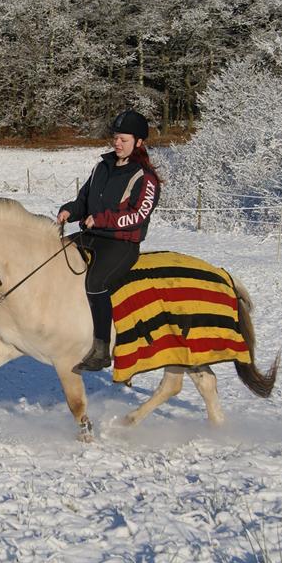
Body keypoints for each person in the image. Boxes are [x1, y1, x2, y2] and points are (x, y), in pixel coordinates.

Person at [57, 110, 161, 373]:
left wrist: (101, 219)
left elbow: (138, 215)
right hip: (90, 235)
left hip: (121, 243)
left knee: (95, 283)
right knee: (54, 256)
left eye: (123, 139)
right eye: (115, 138)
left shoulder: (145, 177)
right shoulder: (101, 167)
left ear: (139, 142)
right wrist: (70, 210)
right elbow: (84, 200)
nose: (117, 143)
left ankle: (101, 349)